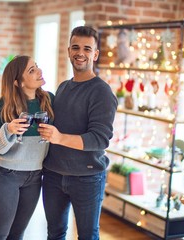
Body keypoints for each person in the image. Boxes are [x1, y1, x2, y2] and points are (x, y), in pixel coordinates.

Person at [38, 26, 118, 240]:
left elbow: (100, 139)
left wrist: (59, 137)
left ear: (95, 54)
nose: (80, 53)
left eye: (86, 48)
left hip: (87, 178)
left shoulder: (101, 92)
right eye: (75, 47)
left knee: (87, 236)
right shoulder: (63, 87)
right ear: (68, 51)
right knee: (54, 233)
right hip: (53, 174)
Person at [0, 55, 54, 240]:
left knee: (17, 234)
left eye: (37, 66)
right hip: (5, 176)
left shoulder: (49, 100)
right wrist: (8, 129)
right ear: (18, 82)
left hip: (35, 176)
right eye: (32, 70)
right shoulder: (4, 105)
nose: (39, 71)